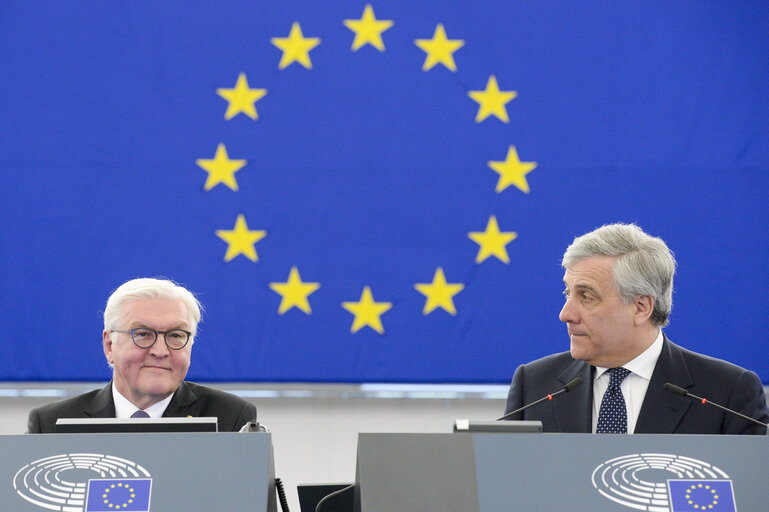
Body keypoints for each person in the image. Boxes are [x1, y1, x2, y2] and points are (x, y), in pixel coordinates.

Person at [503, 223, 768, 434]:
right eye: (567, 292)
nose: (566, 314)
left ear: (641, 307)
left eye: (586, 296)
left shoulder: (726, 394)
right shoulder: (535, 386)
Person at [27, 278, 256, 433]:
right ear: (109, 345)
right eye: (143, 334)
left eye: (176, 335)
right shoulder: (51, 425)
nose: (160, 351)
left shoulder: (230, 418)